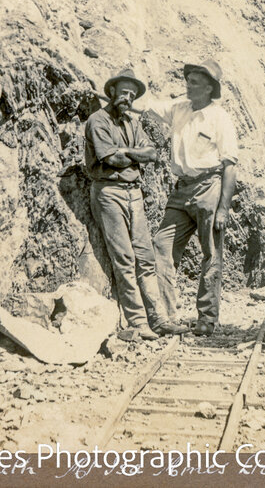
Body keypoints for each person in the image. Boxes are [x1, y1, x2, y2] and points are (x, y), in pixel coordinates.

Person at [137, 61, 239, 336]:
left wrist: (223, 209)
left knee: (211, 254)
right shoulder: (178, 109)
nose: (188, 85)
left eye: (194, 82)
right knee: (162, 245)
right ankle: (167, 315)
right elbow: (143, 104)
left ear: (209, 88)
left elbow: (230, 166)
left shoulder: (220, 118)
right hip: (181, 189)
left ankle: (207, 317)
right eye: (188, 80)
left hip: (210, 187)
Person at [84, 68, 186, 340]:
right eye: (123, 91)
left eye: (132, 93)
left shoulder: (132, 123)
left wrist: (127, 151)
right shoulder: (98, 121)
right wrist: (133, 155)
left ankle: (159, 319)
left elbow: (150, 153)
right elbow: (111, 160)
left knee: (146, 256)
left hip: (134, 193)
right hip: (109, 191)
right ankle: (138, 323)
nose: (127, 97)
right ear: (112, 92)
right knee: (125, 259)